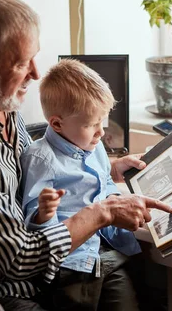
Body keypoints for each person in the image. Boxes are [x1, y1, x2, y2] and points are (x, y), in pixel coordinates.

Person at [0, 0, 172, 311]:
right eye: (20, 63)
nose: (36, 73)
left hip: (23, 278)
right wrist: (104, 212)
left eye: (34, 57)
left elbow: (38, 172)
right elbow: (20, 257)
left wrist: (108, 169)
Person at [21, 59, 141, 310]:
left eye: (102, 122)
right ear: (56, 123)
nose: (100, 132)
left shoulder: (92, 145)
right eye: (90, 125)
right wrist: (43, 212)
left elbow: (102, 181)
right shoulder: (40, 157)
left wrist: (114, 171)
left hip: (104, 254)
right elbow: (31, 218)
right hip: (71, 267)